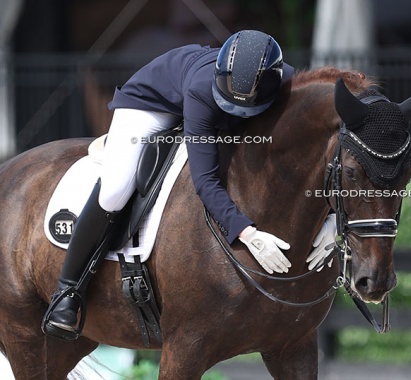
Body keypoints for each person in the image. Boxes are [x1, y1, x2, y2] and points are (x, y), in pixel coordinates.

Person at [43, 30, 336, 340]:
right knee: (115, 190)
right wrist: (247, 233)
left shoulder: (285, 85)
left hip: (224, 110)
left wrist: (330, 218)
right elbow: (206, 180)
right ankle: (68, 291)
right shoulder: (203, 90)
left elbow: (309, 160)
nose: (236, 110)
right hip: (153, 106)